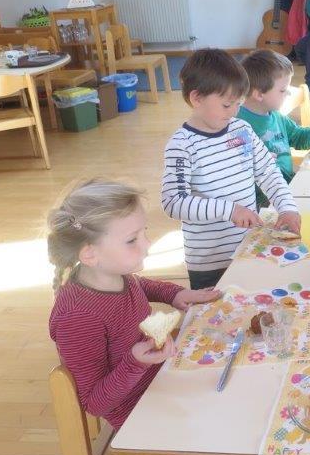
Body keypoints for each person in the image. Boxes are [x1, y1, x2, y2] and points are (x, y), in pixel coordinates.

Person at [48, 179, 221, 429]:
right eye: (132, 240)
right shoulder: (78, 318)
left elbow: (139, 286)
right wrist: (135, 363)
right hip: (136, 413)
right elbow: (95, 404)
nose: (148, 244)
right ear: (89, 253)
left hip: (161, 378)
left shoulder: (113, 274)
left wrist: (176, 294)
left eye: (144, 232)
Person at [161, 49, 300, 289]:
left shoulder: (241, 130)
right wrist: (229, 210)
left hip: (248, 247)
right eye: (227, 104)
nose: (235, 111)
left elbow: (268, 172)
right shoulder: (182, 145)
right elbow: (173, 202)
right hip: (210, 262)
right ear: (197, 98)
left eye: (239, 103)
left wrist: (286, 207)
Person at [238, 49, 310, 194]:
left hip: (288, 186)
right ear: (259, 94)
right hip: (263, 199)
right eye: (283, 90)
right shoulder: (237, 125)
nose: (288, 93)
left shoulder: (275, 116)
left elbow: (299, 135)